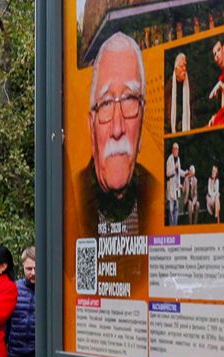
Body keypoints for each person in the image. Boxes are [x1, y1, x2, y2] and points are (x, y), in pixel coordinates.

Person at [75, 33, 154, 235]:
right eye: (106, 103)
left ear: (142, 120)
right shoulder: (72, 200)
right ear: (91, 126)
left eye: (129, 99)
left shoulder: (155, 192)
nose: (118, 128)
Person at [169, 52, 191, 133]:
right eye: (182, 66)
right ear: (176, 69)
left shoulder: (190, 86)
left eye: (185, 65)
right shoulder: (169, 87)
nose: (184, 69)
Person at [165, 143, 183, 226]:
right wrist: (174, 168)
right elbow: (167, 173)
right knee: (171, 210)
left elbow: (179, 171)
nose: (176, 150)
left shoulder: (178, 159)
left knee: (176, 209)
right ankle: (171, 228)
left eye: (177, 149)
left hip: (176, 188)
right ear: (172, 150)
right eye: (175, 149)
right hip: (171, 188)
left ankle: (175, 227)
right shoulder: (169, 159)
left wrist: (186, 173)